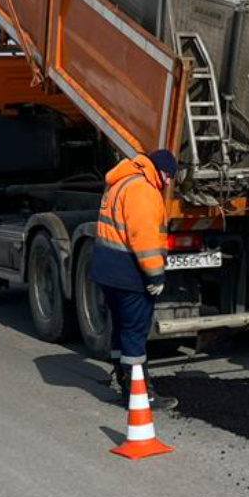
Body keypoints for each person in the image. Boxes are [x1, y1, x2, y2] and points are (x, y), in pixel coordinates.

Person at [91, 148, 180, 409]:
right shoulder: (143, 190)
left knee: (120, 327)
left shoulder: (122, 181)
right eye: (168, 178)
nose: (167, 184)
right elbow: (145, 239)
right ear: (162, 173)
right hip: (128, 273)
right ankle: (141, 394)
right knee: (135, 332)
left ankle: (123, 379)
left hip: (108, 270)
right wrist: (155, 275)